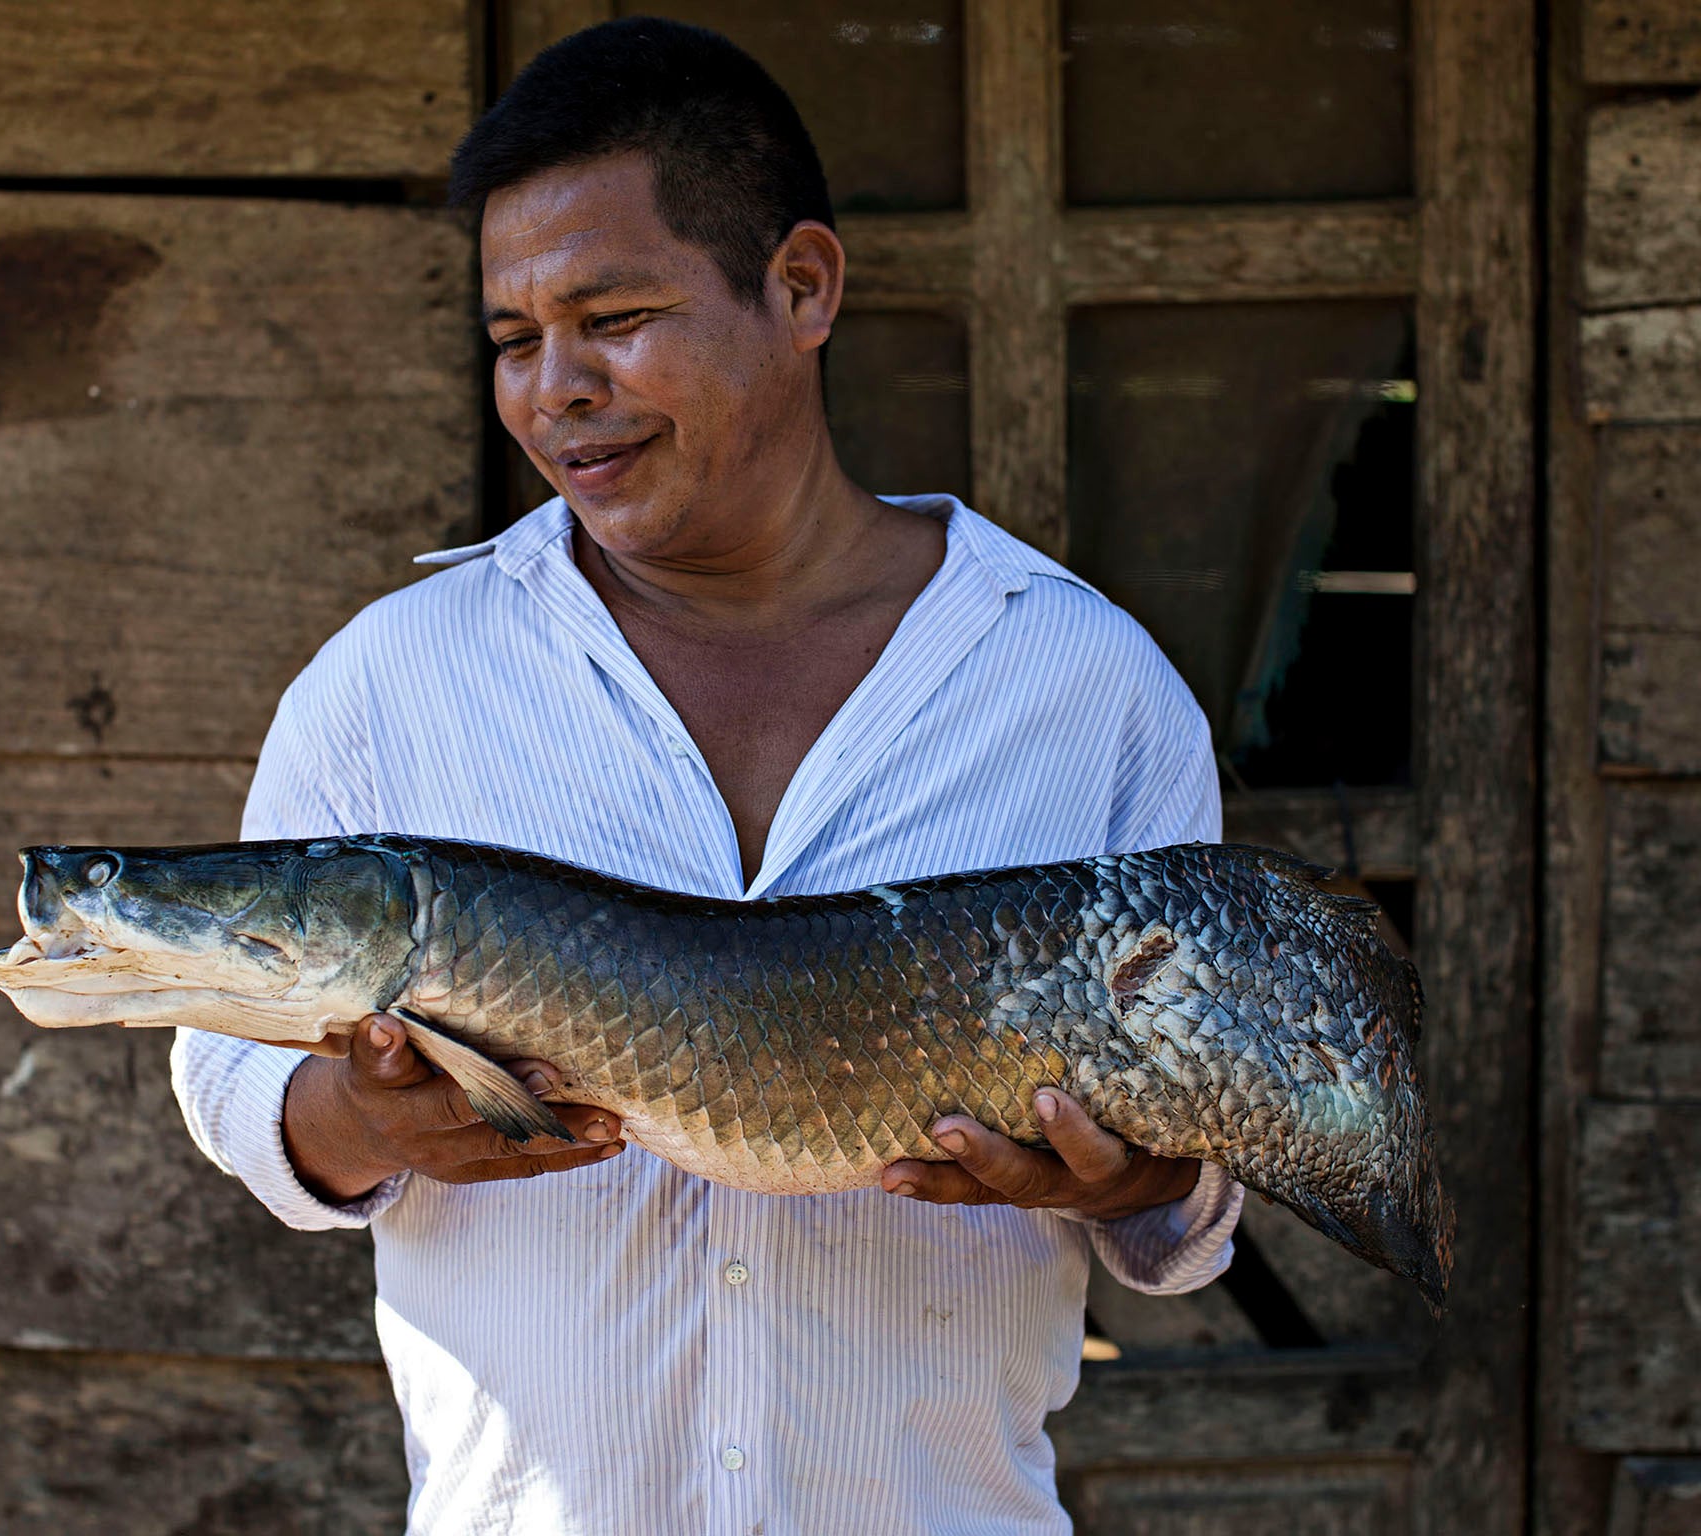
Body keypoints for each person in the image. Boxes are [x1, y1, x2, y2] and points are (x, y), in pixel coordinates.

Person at [174, 18, 1242, 1534]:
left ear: (800, 288)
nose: (556, 389)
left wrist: (1135, 1182)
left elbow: (1196, 1178)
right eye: (511, 340)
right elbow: (225, 1068)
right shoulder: (395, 685)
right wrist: (351, 1125)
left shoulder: (1082, 690)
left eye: (612, 315)